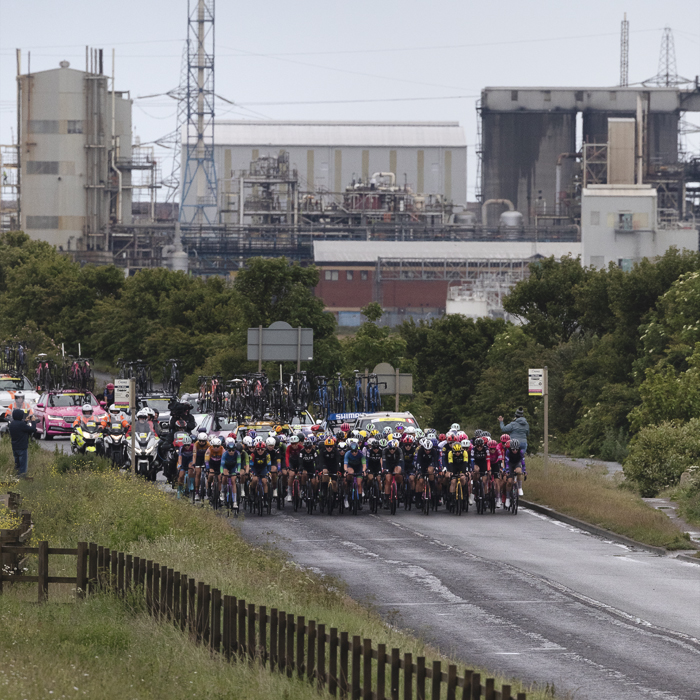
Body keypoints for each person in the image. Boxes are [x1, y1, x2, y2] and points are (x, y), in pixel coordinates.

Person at [8, 409, 37, 478]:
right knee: (23, 466)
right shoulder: (21, 424)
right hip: (22, 447)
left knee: (17, 465)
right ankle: (22, 479)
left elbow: (20, 427)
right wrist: (33, 422)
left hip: (15, 447)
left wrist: (25, 421)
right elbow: (32, 429)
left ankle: (15, 477)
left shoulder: (12, 424)